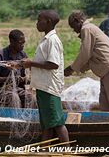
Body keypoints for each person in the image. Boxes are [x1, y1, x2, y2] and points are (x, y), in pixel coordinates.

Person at [64, 10, 109, 112]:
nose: (74, 30)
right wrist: (79, 68)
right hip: (107, 71)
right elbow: (90, 55)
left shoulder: (87, 29)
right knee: (105, 103)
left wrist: (72, 68)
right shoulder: (90, 28)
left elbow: (85, 53)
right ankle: (108, 124)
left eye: (73, 27)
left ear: (78, 21)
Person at [21, 10, 69, 145]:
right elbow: (43, 62)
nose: (37, 23)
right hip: (43, 86)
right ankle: (44, 150)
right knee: (47, 124)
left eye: (39, 19)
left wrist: (30, 63)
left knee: (58, 123)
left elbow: (53, 64)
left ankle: (67, 151)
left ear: (48, 22)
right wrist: (24, 64)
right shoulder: (46, 39)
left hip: (50, 88)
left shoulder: (52, 40)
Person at [0, 29, 35, 108]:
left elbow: (26, 78)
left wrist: (24, 79)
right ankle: (14, 119)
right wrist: (10, 79)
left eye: (24, 43)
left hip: (17, 89)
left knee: (30, 97)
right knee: (13, 98)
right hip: (1, 90)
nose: (23, 45)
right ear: (12, 41)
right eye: (20, 43)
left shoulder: (23, 55)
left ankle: (28, 119)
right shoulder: (0, 55)